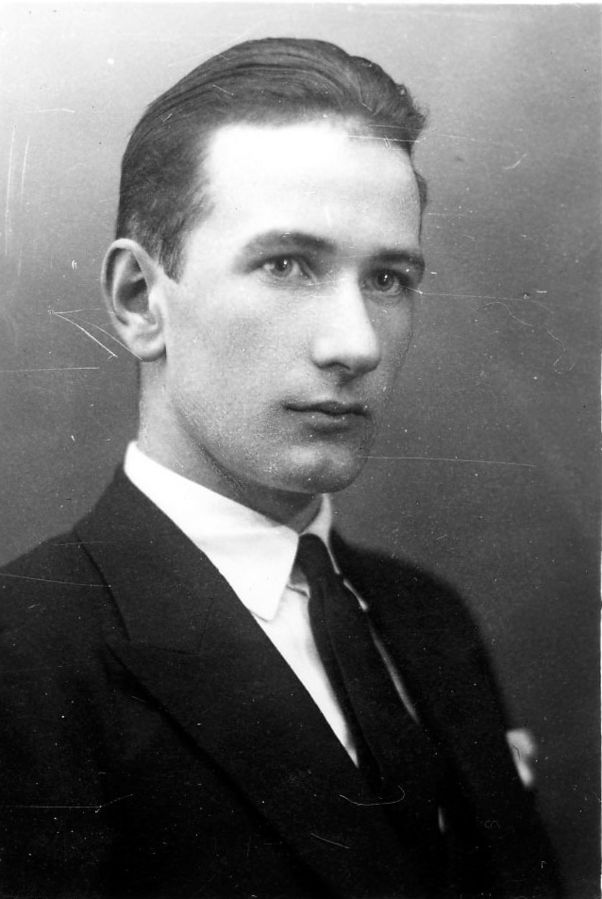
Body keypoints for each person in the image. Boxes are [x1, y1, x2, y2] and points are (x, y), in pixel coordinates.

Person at [0, 37, 560, 899]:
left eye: (388, 278)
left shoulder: (427, 616)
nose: (356, 344)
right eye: (287, 265)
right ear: (140, 301)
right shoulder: (27, 655)